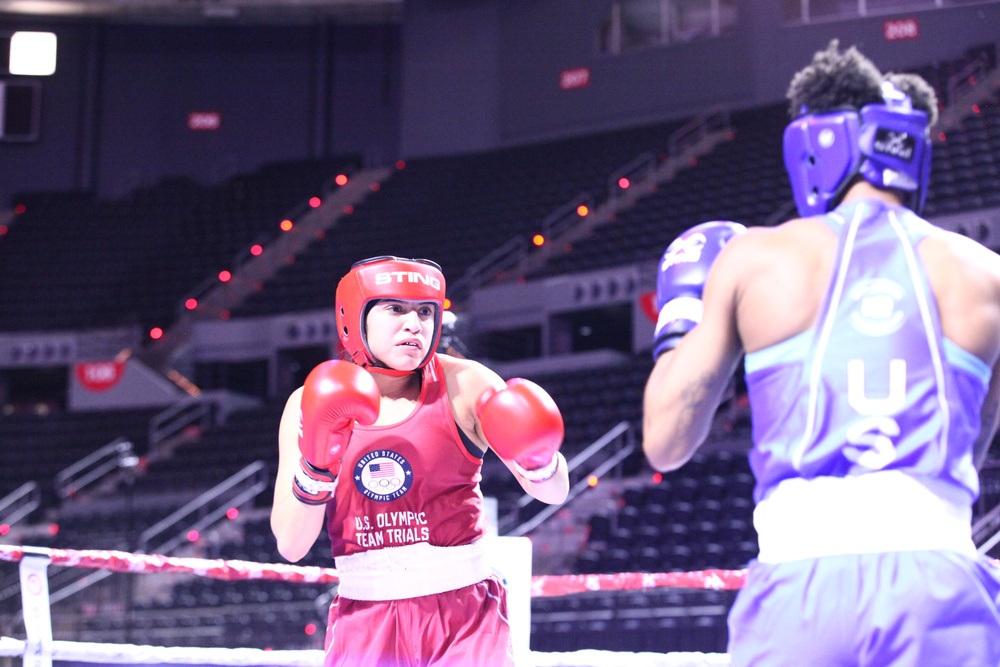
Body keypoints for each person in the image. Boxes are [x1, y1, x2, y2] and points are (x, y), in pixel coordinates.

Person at [642, 41, 1000, 666]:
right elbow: (972, 444)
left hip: (801, 586)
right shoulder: (986, 275)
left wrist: (681, 318)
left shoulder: (758, 257)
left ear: (819, 141)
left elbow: (665, 443)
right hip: (938, 584)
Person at [270, 255, 569, 667]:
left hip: (465, 616)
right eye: (395, 309)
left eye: (426, 312)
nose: (415, 325)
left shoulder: (465, 384)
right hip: (366, 617)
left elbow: (554, 493)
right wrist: (317, 469)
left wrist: (539, 458)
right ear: (355, 317)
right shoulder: (307, 403)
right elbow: (291, 544)